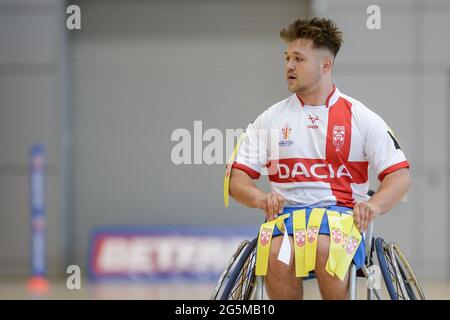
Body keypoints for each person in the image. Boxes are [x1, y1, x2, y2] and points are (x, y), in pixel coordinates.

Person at [228, 17, 411, 300]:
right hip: (286, 220)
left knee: (325, 247)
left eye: (298, 59)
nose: (289, 66)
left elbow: (399, 176)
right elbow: (237, 179)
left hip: (341, 218)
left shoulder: (360, 117)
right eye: (287, 58)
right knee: (276, 256)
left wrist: (373, 205)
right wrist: (260, 198)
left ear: (326, 65)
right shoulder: (269, 119)